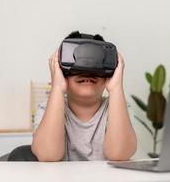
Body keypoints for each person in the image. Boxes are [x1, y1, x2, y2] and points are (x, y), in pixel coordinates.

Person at [8, 31, 137, 161]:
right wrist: (57, 88)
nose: (87, 72)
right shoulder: (47, 108)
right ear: (61, 70)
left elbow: (120, 155)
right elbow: (48, 155)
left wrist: (116, 88)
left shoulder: (119, 107)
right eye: (78, 66)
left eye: (95, 65)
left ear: (109, 74)